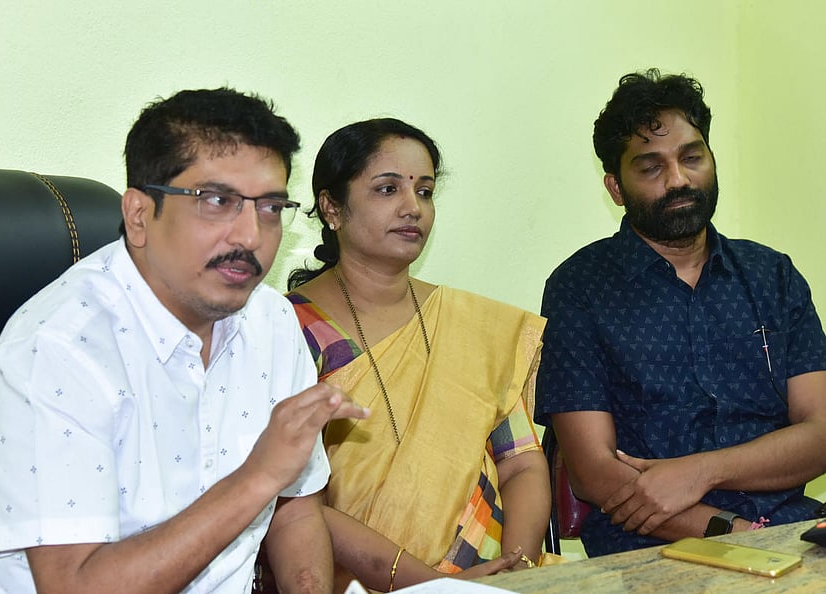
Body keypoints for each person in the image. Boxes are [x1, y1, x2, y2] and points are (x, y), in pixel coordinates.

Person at [0, 87, 368, 593]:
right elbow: (76, 588)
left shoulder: (270, 321)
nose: (251, 236)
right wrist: (257, 477)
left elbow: (296, 511)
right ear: (140, 215)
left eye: (270, 207)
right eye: (217, 201)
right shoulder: (58, 348)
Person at [535, 68, 826, 557]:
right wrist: (732, 536)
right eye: (651, 167)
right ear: (615, 187)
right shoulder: (580, 288)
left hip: (794, 534)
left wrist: (700, 470)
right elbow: (593, 472)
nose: (678, 180)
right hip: (651, 552)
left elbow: (820, 432)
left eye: (692, 158)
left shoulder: (772, 275)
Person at [285, 118, 550, 591]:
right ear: (332, 208)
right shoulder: (289, 329)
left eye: (424, 192)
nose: (413, 208)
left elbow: (522, 462)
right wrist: (435, 587)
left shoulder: (469, 322)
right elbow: (297, 504)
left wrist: (519, 573)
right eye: (388, 190)